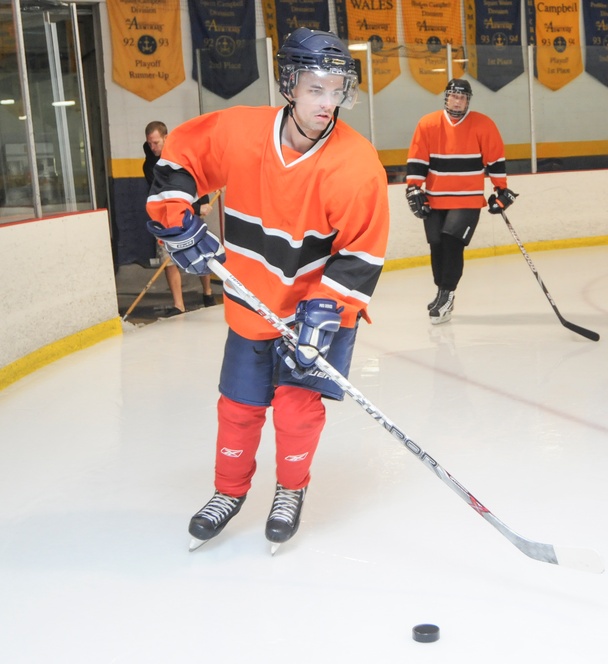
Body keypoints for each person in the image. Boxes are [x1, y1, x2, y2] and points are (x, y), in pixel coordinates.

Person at [145, 28, 390, 552]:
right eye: (315, 88)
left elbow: (363, 252)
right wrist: (176, 220)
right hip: (250, 304)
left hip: (314, 312)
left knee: (297, 410)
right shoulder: (241, 132)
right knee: (238, 405)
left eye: (337, 88)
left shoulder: (357, 165)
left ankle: (290, 490)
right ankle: (228, 492)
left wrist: (327, 309)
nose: (328, 102)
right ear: (290, 85)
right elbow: (182, 155)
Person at [405, 78, 518, 324]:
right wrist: (414, 189)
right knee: (436, 243)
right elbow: (418, 159)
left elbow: (495, 160)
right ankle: (442, 291)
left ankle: (447, 293)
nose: (458, 101)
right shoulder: (428, 124)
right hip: (435, 197)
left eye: (463, 97)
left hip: (467, 199)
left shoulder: (483, 124)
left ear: (468, 100)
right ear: (446, 97)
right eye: (454, 96)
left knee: (451, 241)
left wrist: (502, 190)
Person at [143, 121, 217, 317]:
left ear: (166, 138)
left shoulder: (182, 154)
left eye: (156, 142)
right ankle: (179, 305)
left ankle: (208, 293)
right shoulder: (150, 165)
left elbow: (196, 178)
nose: (153, 147)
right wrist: (196, 206)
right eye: (150, 143)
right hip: (165, 217)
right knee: (168, 260)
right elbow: (164, 196)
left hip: (190, 214)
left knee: (201, 250)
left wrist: (204, 201)